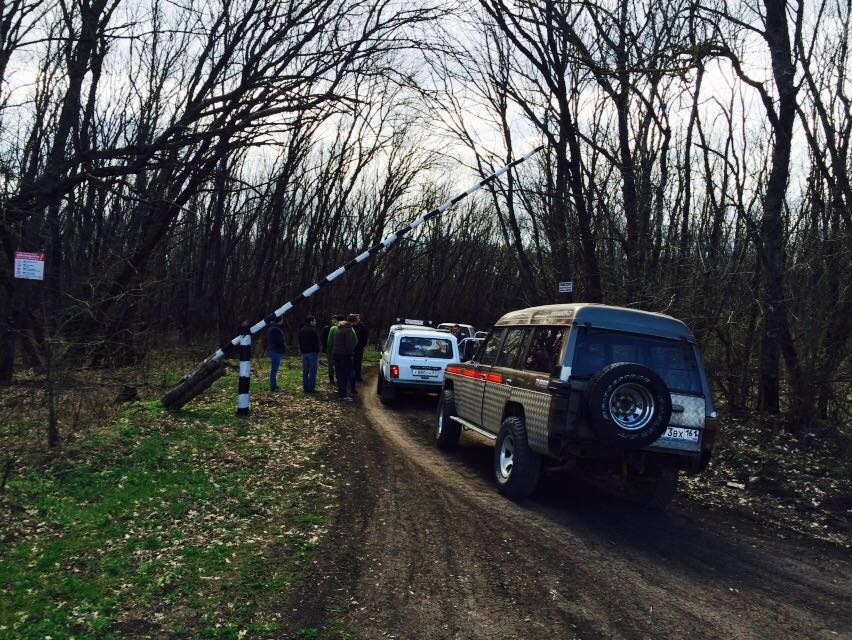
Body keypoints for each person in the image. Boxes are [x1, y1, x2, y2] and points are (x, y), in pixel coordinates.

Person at [329, 314, 358, 401]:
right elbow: (348, 344)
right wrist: (351, 354)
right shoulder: (348, 329)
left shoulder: (339, 327)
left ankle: (340, 392)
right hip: (344, 355)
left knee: (339, 374)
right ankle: (343, 395)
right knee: (344, 375)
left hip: (336, 353)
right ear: (354, 321)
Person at [298, 314, 321, 393]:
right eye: (314, 321)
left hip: (304, 353)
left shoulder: (301, 330)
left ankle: (305, 388)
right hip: (312, 353)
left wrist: (302, 350)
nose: (316, 322)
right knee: (313, 371)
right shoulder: (313, 330)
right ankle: (311, 388)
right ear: (311, 322)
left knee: (305, 371)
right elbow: (316, 342)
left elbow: (300, 342)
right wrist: (317, 351)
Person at [267, 316, 287, 392]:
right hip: (276, 351)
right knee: (274, 370)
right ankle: (273, 387)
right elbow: (279, 341)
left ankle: (274, 385)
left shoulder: (271, 328)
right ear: (280, 320)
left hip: (272, 350)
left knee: (274, 369)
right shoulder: (276, 329)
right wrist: (284, 347)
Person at [320, 314, 340, 385]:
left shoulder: (340, 328)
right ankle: (331, 379)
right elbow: (322, 338)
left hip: (338, 350)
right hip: (329, 349)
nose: (334, 320)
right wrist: (325, 348)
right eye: (333, 319)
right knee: (330, 365)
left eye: (335, 319)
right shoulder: (327, 328)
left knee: (337, 364)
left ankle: (338, 377)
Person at [352, 313, 368, 382]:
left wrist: (364, 345)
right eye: (355, 318)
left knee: (358, 362)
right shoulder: (351, 327)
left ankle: (358, 376)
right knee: (352, 363)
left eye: (358, 318)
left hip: (359, 348)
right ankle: (352, 376)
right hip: (352, 348)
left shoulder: (363, 327)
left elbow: (365, 337)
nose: (357, 319)